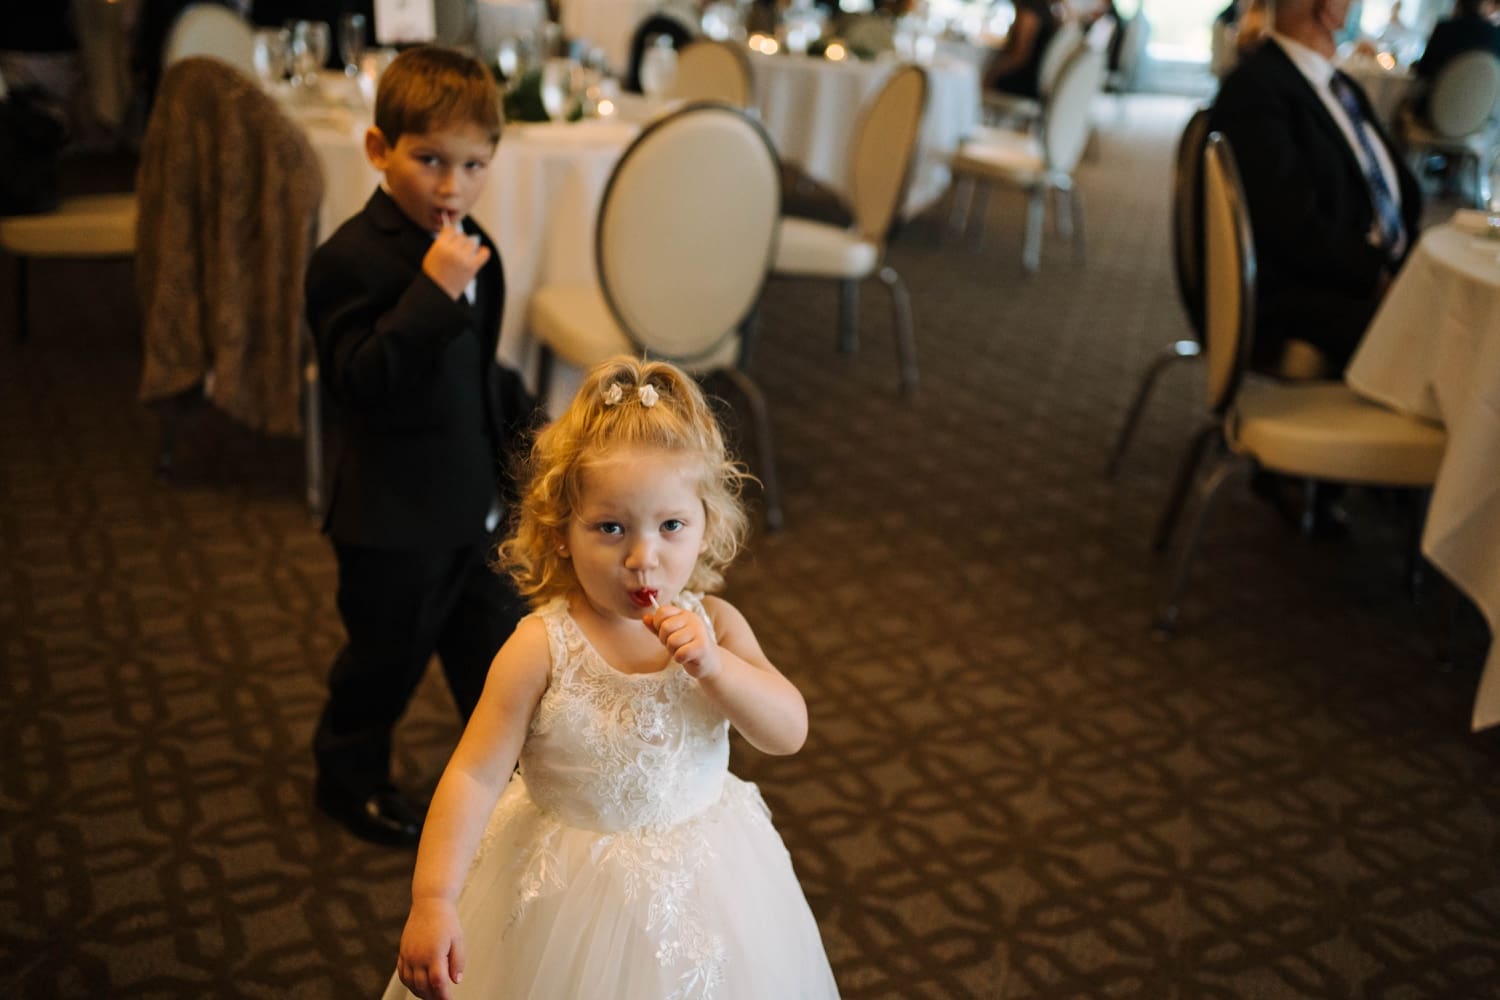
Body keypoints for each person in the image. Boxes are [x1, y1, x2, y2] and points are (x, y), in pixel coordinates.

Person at [387, 357, 839, 999]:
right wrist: (434, 897)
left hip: (709, 880)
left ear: (706, 525)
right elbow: (473, 774)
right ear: (562, 533)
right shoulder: (539, 648)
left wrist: (716, 667)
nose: (641, 557)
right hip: (563, 885)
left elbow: (787, 731)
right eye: (610, 528)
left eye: (671, 526)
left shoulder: (719, 624)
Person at [305, 46, 536, 847]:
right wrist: (431, 295)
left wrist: (525, 452)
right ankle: (348, 773)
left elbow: (477, 373)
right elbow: (356, 382)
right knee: (384, 664)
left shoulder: (481, 250)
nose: (451, 186)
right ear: (380, 151)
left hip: (473, 504)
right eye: (429, 160)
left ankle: (508, 778)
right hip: (392, 518)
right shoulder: (348, 260)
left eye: (474, 165)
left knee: (496, 653)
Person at [1209, 0, 1421, 377]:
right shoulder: (1256, 89)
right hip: (1310, 291)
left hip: (1373, 269)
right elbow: (1289, 226)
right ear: (1328, 9)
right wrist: (1376, 277)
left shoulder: (1340, 85)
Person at [1414, 0, 1500, 113]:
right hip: (1477, 117)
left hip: (1433, 112)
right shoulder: (1496, 36)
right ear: (1486, 5)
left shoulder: (1444, 29)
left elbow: (1422, 71)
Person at [984, 0, 1061, 99]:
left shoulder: (1028, 12)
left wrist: (991, 75)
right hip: (1035, 84)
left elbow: (1018, 57)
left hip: (1022, 84)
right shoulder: (1047, 13)